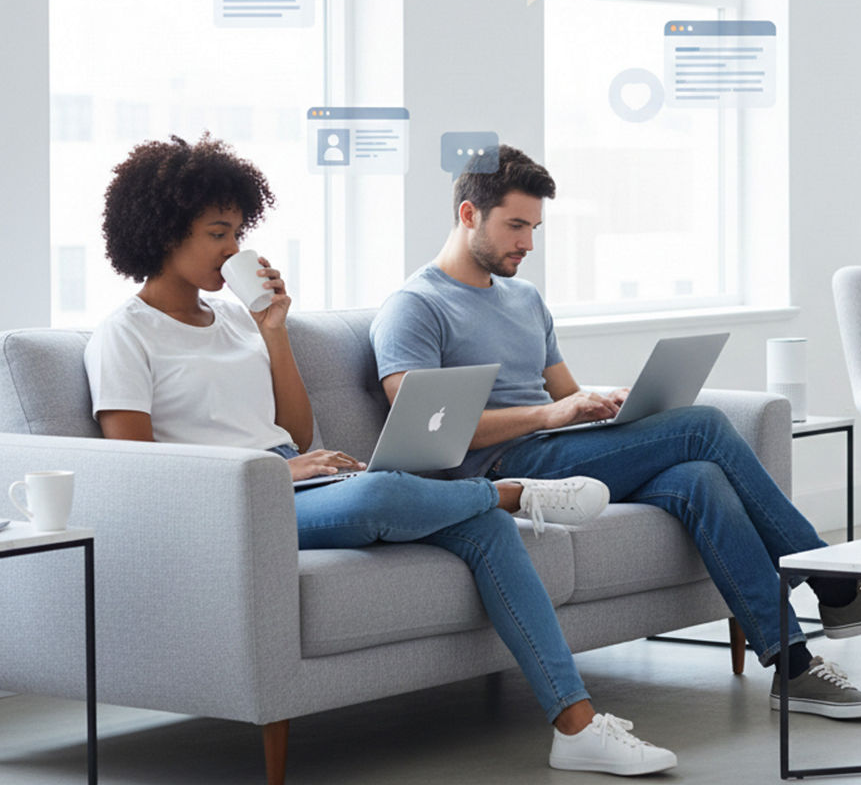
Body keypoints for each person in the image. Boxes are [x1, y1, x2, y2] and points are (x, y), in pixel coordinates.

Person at [84, 135, 677, 776]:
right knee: (382, 491)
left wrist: (274, 332)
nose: (234, 250)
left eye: (238, 233)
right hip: (230, 504)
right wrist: (277, 472)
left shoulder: (235, 321)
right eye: (217, 234)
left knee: (467, 524)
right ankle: (516, 494)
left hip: (297, 478)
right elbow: (142, 475)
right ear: (162, 232)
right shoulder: (124, 335)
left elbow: (295, 428)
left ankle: (576, 724)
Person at [372, 145, 861, 723]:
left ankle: (794, 667)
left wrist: (605, 404)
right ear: (469, 214)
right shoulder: (417, 307)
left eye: (534, 228)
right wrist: (552, 416)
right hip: (502, 475)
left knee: (699, 479)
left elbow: (561, 392)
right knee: (703, 427)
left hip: (558, 452)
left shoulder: (524, 299)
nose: (527, 243)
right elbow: (427, 434)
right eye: (515, 226)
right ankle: (836, 584)